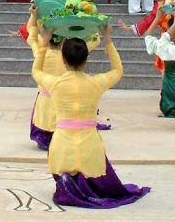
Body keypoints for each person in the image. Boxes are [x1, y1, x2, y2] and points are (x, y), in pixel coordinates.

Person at [33, 19, 150, 208]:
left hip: (61, 147)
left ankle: (68, 189)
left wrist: (44, 43)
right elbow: (118, 71)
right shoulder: (95, 83)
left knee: (64, 164)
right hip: (90, 147)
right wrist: (108, 40)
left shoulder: (55, 84)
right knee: (92, 166)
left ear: (63, 59)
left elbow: (36, 70)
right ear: (87, 59)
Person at [25, 7, 67, 150]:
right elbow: (94, 41)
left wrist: (34, 15)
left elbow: (30, 32)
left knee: (44, 116)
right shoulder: (69, 55)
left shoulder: (40, 53)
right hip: (63, 95)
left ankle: (44, 139)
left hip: (44, 94)